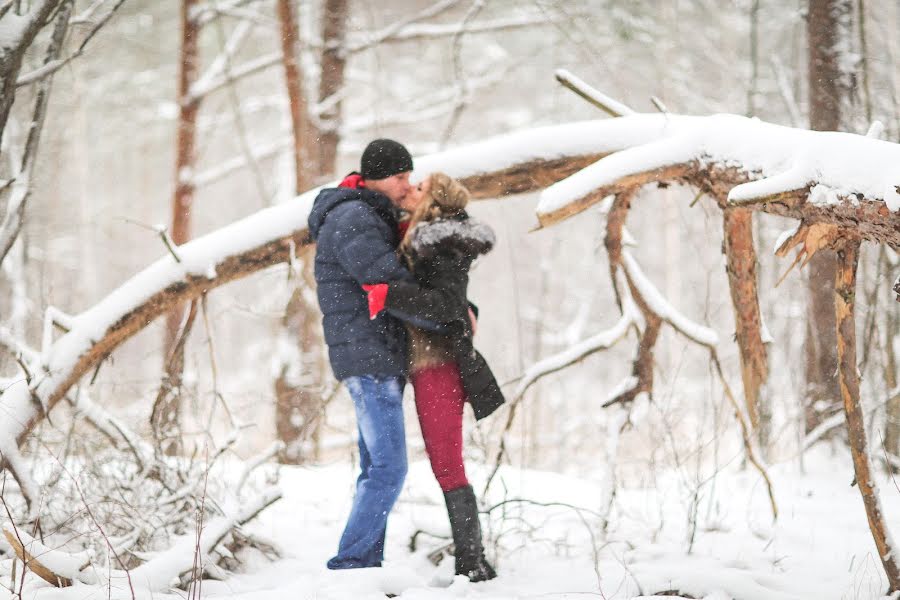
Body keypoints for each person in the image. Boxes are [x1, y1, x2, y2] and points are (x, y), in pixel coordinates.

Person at [363, 172, 504, 582]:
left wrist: (389, 295)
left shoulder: (439, 244)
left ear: (433, 204)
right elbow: (453, 299)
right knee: (443, 462)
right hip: (426, 361)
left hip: (438, 364)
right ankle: (471, 558)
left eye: (420, 187)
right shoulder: (430, 238)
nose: (411, 188)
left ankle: (472, 561)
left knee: (447, 463)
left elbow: (443, 304)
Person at [307, 138, 422, 570]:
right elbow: (389, 284)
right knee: (390, 469)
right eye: (399, 177)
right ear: (374, 177)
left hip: (374, 353)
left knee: (377, 467)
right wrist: (451, 315)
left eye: (409, 176)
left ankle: (363, 564)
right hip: (368, 356)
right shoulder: (355, 218)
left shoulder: (364, 214)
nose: (405, 184)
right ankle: (352, 563)